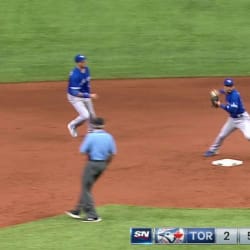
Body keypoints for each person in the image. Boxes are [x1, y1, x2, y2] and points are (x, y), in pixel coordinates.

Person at [66, 117, 117, 222]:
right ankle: (77, 210)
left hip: (92, 164)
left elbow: (83, 151)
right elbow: (112, 153)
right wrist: (106, 164)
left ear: (93, 125)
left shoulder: (91, 136)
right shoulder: (109, 137)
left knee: (85, 188)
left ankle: (92, 215)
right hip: (103, 164)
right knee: (87, 187)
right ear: (103, 125)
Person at [204, 78, 250, 157]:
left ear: (233, 87)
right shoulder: (226, 91)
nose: (229, 87)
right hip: (232, 119)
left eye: (230, 86)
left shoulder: (235, 95)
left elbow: (232, 110)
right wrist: (218, 92)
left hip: (242, 119)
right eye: (227, 86)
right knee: (222, 135)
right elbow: (223, 91)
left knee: (248, 136)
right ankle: (213, 150)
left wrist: (220, 104)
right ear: (225, 86)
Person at [67, 54, 98, 137]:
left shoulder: (87, 69)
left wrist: (88, 95)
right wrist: (89, 95)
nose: (84, 62)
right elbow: (75, 93)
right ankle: (72, 125)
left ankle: (91, 131)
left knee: (92, 114)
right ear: (78, 63)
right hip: (75, 97)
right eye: (82, 61)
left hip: (85, 94)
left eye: (84, 60)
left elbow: (87, 84)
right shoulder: (75, 76)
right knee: (85, 115)